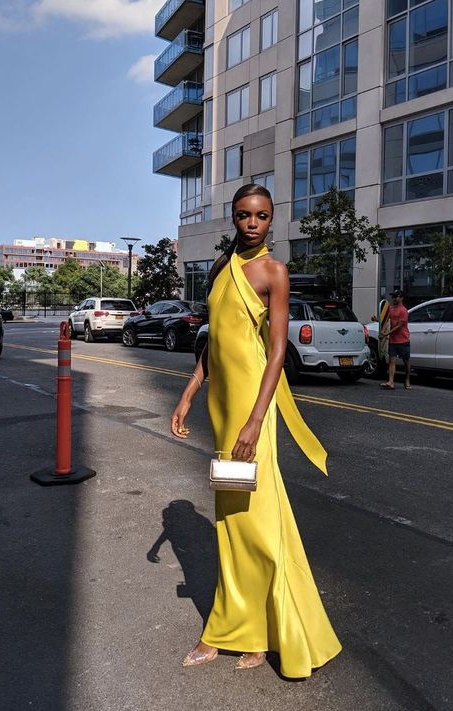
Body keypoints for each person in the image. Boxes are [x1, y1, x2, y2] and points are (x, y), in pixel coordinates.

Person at [170, 184, 342, 678]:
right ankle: (231, 626)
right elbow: (213, 344)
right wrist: (188, 394)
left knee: (259, 519)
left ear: (272, 220)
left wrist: (254, 419)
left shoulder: (274, 272)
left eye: (261, 216)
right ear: (232, 216)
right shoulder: (223, 270)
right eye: (244, 214)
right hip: (223, 406)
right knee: (230, 517)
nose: (252, 223)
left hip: (252, 407)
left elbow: (277, 352)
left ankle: (266, 633)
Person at [380, 289, 411, 390]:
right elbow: (385, 320)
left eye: (396, 296)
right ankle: (391, 382)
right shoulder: (391, 309)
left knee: (406, 363)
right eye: (393, 296)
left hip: (403, 340)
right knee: (391, 361)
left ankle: (407, 380)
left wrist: (386, 334)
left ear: (401, 298)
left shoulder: (403, 311)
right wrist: (377, 319)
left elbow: (399, 326)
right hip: (393, 340)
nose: (393, 298)